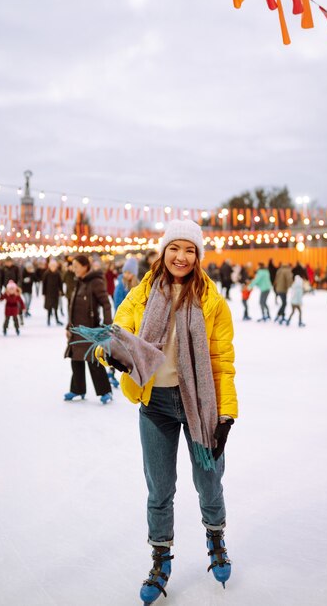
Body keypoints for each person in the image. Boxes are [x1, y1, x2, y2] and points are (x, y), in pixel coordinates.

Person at [98, 219, 237, 604]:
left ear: (198, 256)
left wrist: (226, 414)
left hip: (199, 404)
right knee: (160, 490)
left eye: (190, 250)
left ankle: (215, 537)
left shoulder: (212, 301)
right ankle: (161, 558)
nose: (181, 256)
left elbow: (222, 362)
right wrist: (112, 353)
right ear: (163, 251)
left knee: (209, 482)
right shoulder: (141, 294)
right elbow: (117, 331)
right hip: (155, 405)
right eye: (175, 248)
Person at [64, 255, 113, 404]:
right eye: (73, 266)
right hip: (76, 329)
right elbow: (73, 306)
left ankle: (105, 391)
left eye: (76, 266)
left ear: (85, 266)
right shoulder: (79, 281)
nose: (74, 269)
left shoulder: (95, 282)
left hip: (91, 330)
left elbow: (106, 304)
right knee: (76, 361)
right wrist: (68, 326)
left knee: (94, 361)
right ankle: (77, 389)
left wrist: (106, 326)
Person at [43, 259, 64, 326]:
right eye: (52, 266)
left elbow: (60, 283)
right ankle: (48, 320)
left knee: (55, 307)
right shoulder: (46, 273)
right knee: (49, 307)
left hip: (55, 293)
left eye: (54, 266)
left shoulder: (58, 273)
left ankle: (57, 320)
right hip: (48, 293)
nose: (53, 267)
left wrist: (61, 291)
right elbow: (44, 283)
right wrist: (44, 293)